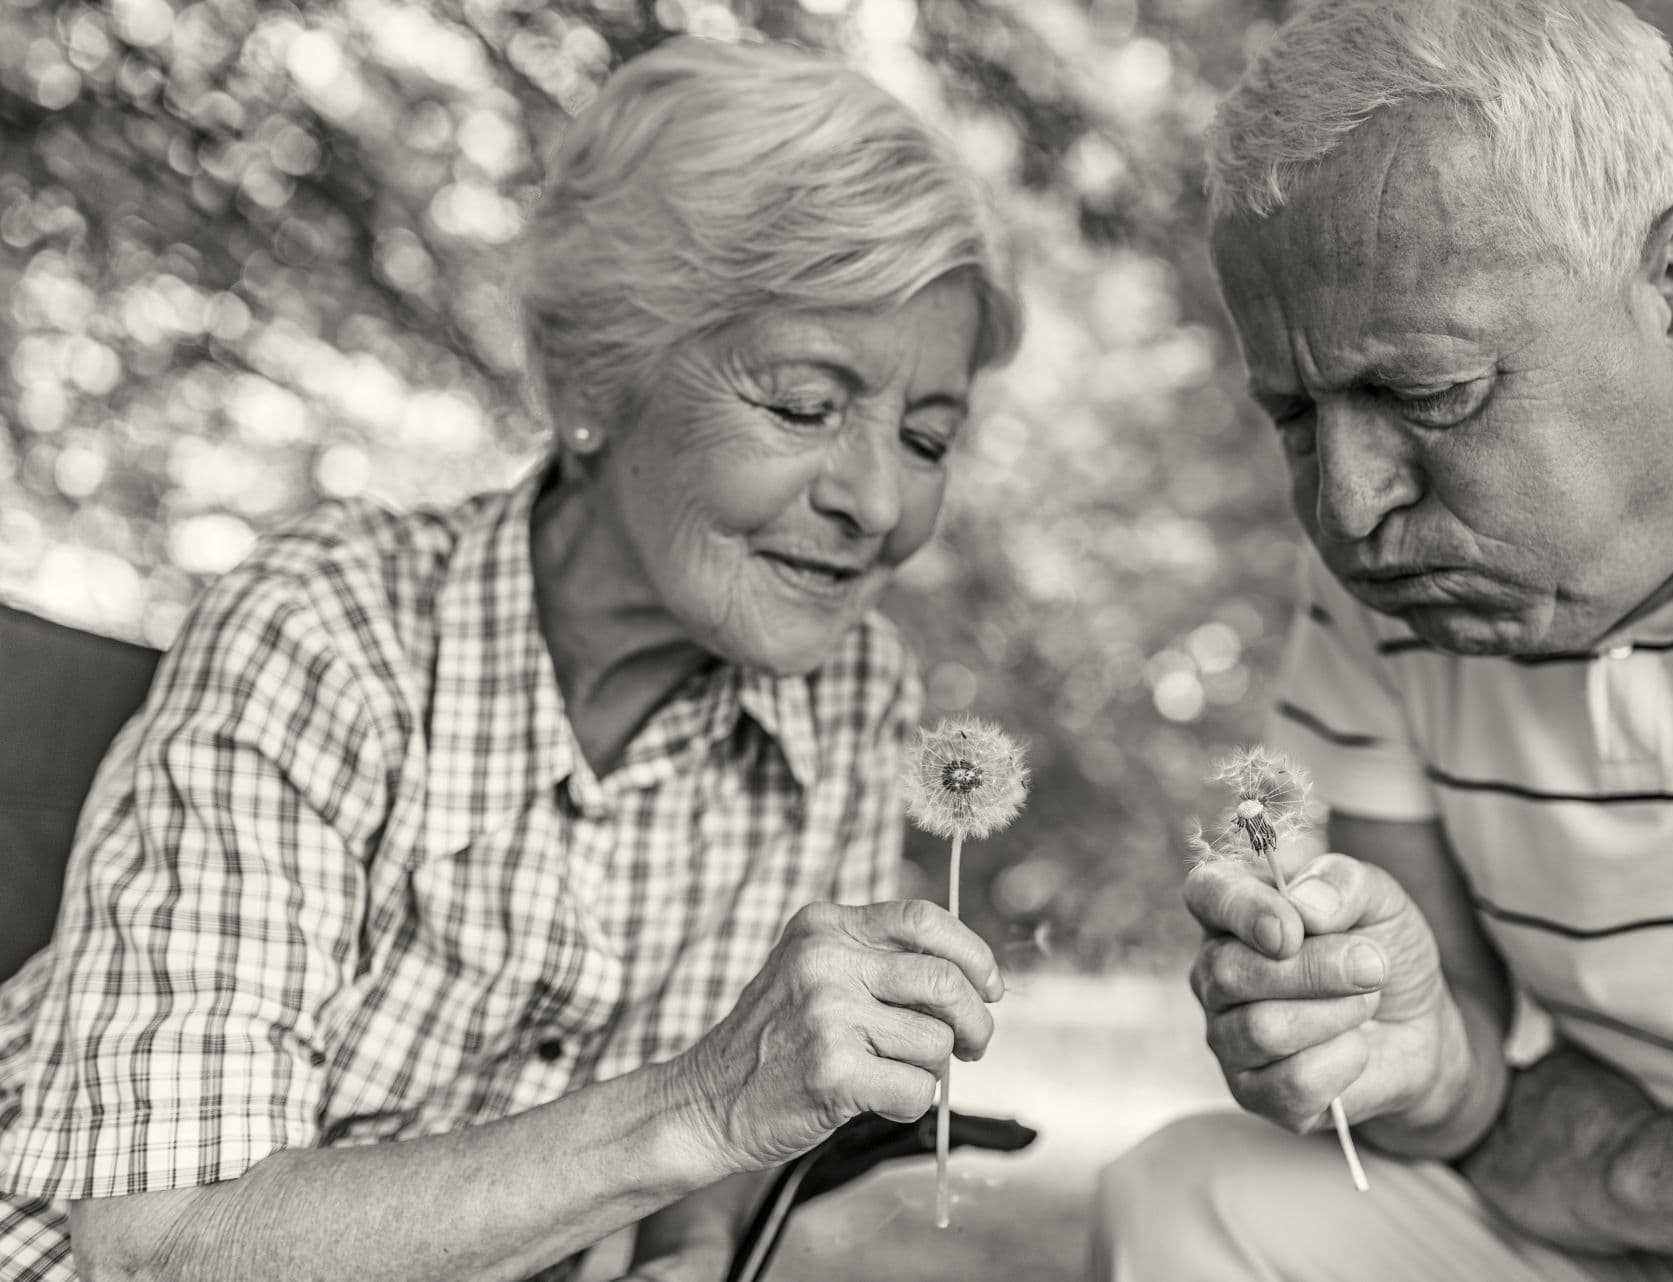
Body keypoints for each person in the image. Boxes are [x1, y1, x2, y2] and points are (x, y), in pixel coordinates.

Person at [0, 36, 1021, 1282]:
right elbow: (158, 1248)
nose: (877, 501)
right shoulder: (322, 631)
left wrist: (689, 1245)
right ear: (594, 377)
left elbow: (722, 1163)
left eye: (926, 437)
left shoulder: (854, 698)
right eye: (805, 406)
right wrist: (691, 1106)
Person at [1094, 2, 1673, 1280]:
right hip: (1646, 1234)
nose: (1350, 505)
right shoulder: (1401, 561)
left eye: (1428, 393)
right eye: (1298, 416)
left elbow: (1560, 1156)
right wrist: (1409, 1058)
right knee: (1196, 1194)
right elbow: (1462, 1070)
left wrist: (1620, 1170)